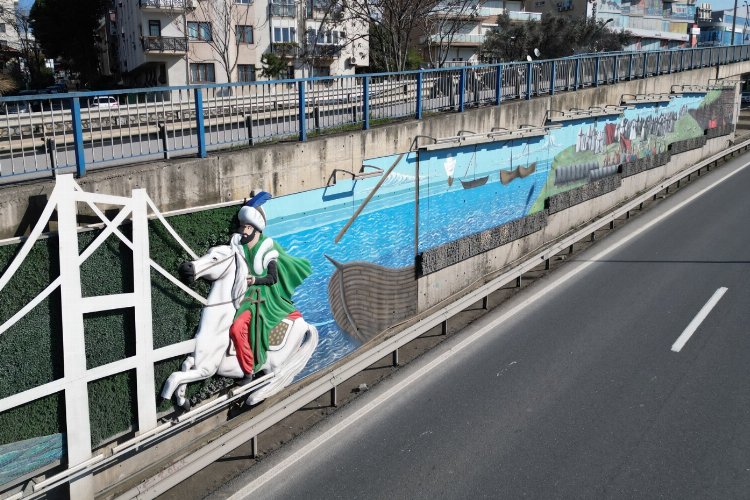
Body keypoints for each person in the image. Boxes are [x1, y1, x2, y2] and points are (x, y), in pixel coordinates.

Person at [229, 192, 312, 386]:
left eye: (247, 227)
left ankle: (248, 370)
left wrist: (254, 280)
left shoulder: (267, 248)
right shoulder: (239, 245)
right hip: (243, 294)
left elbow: (272, 278)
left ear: (256, 228)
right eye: (242, 226)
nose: (243, 230)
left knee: (237, 327)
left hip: (263, 297)